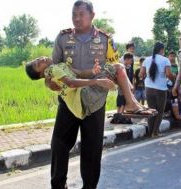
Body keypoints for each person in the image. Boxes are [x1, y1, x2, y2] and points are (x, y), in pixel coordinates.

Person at [44, 1, 152, 188]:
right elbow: (52, 69)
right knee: (59, 145)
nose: (77, 18)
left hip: (95, 101)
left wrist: (125, 90)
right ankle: (58, 185)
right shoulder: (62, 38)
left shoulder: (105, 39)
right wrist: (49, 82)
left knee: (92, 149)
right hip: (69, 100)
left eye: (81, 14)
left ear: (92, 15)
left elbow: (114, 67)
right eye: (74, 14)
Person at [140, 42, 174, 137]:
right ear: (162, 50)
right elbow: (168, 74)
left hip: (148, 88)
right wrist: (174, 79)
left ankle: (151, 132)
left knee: (151, 110)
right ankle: (155, 132)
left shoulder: (147, 59)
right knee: (159, 111)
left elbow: (141, 74)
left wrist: (147, 76)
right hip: (161, 89)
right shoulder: (165, 60)